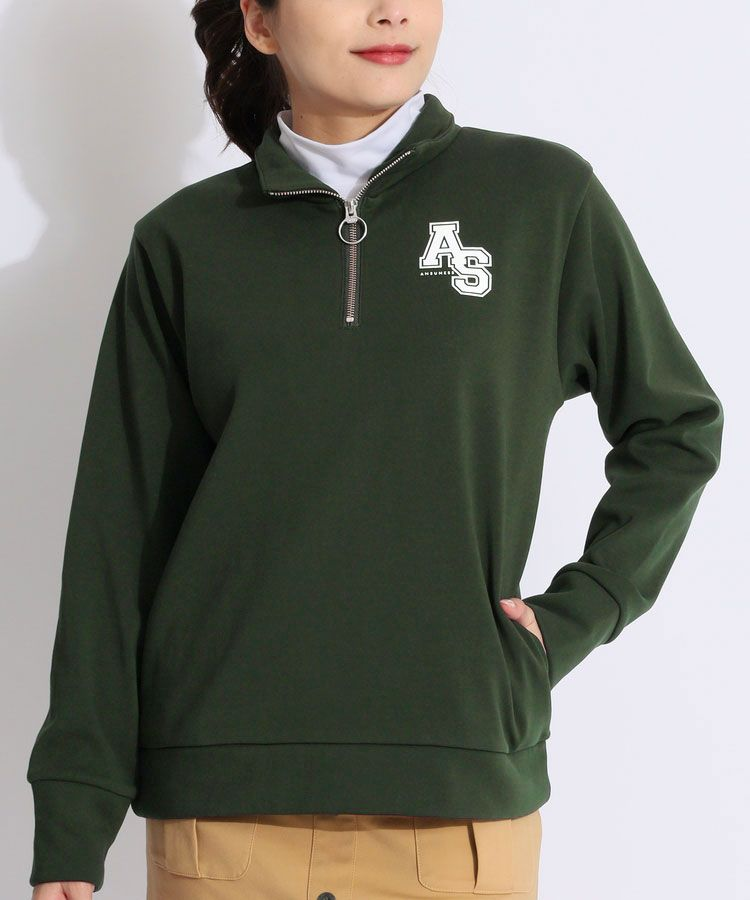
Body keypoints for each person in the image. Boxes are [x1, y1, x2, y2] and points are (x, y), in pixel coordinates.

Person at [26, 0, 725, 897]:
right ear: (262, 22)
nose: (390, 9)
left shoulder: (542, 201)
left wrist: (578, 614)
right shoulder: (184, 243)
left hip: (458, 809)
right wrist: (74, 815)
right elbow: (116, 538)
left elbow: (675, 427)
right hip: (224, 818)